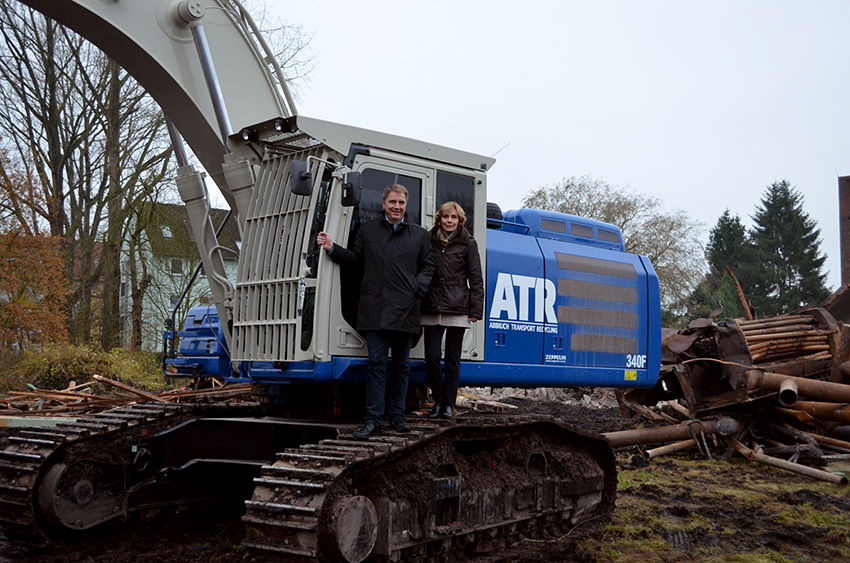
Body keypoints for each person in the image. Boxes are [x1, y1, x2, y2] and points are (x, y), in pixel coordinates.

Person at [317, 184, 434, 438]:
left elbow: (428, 266)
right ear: (384, 204)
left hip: (406, 310)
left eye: (401, 203)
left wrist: (418, 288)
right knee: (376, 366)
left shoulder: (419, 235)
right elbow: (357, 260)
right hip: (375, 310)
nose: (397, 207)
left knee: (402, 367)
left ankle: (397, 418)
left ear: (406, 205)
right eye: (392, 202)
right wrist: (332, 248)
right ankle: (373, 421)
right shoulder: (368, 230)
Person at [420, 201, 484, 420]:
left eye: (454, 218)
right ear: (440, 219)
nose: (449, 221)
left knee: (453, 359)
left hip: (457, 307)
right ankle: (439, 400)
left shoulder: (468, 243)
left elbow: (476, 278)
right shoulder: (428, 241)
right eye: (446, 217)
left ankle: (448, 404)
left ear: (460, 221)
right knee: (431, 356)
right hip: (431, 306)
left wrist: (476, 309)